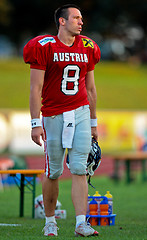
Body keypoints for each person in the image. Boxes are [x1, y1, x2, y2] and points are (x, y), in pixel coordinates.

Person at [23, 4, 101, 237]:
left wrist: (94, 121)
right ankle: (50, 222)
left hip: (80, 112)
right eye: (76, 18)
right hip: (53, 114)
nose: (81, 22)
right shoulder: (44, 46)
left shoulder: (88, 47)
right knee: (54, 171)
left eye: (81, 18)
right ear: (62, 21)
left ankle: (81, 223)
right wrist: (35, 123)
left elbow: (91, 88)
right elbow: (35, 88)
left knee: (79, 167)